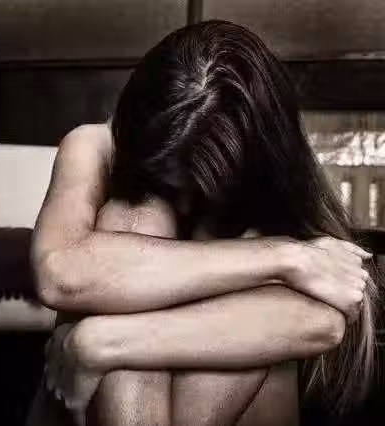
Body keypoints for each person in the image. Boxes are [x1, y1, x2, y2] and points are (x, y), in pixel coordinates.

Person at [25, 20, 379, 426]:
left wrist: (104, 342)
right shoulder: (95, 145)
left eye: (205, 191)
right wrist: (285, 258)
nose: (186, 203)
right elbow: (60, 274)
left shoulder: (266, 190)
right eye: (170, 184)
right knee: (134, 215)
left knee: (253, 302)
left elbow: (324, 322)